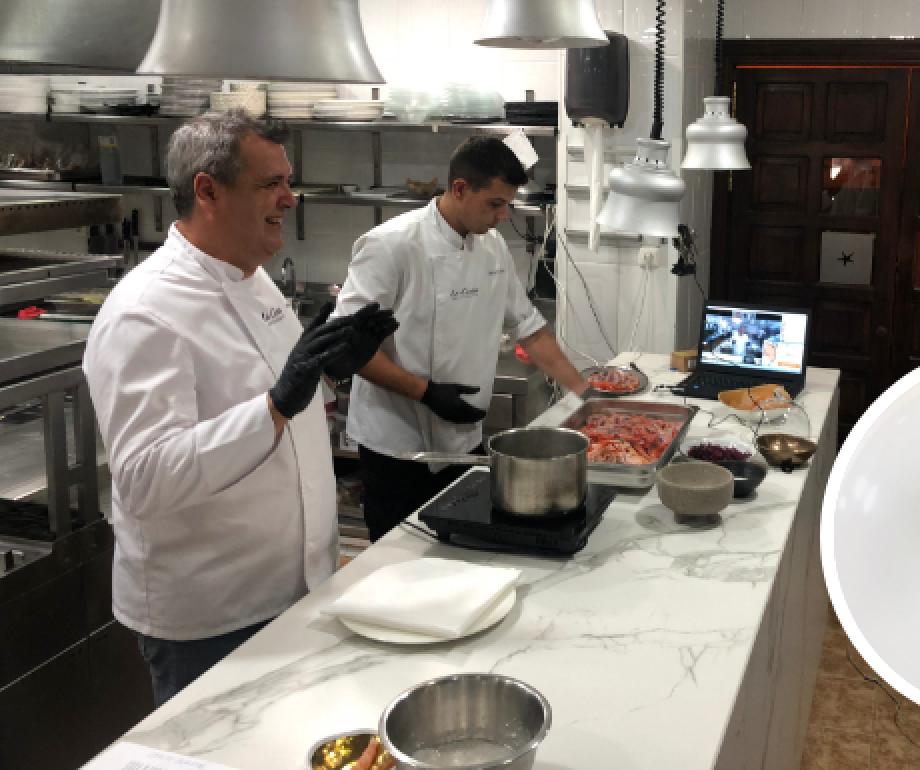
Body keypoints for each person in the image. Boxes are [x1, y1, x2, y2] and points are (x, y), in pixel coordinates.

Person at [84, 109, 397, 707]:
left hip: (297, 589)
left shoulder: (251, 277)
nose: (291, 198)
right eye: (271, 184)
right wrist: (275, 406)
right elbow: (147, 478)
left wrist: (331, 373)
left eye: (289, 181)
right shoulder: (144, 312)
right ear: (208, 190)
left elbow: (278, 398)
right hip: (211, 618)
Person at [333, 136, 589, 541]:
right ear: (459, 189)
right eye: (495, 204)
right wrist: (426, 393)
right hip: (398, 446)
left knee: (458, 550)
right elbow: (346, 346)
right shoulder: (391, 245)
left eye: (508, 204)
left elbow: (530, 329)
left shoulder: (492, 249)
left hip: (463, 438)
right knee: (399, 561)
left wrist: (586, 400)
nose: (504, 215)